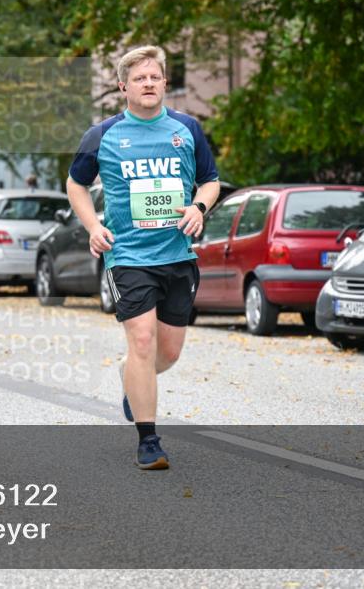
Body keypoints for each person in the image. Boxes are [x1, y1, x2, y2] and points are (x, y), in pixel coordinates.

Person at [66, 45, 220, 470]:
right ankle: (149, 441)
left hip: (177, 255)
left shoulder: (187, 128)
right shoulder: (103, 135)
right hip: (128, 256)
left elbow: (210, 181)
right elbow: (76, 184)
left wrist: (199, 207)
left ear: (165, 83)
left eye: (154, 77)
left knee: (167, 353)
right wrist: (93, 226)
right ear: (123, 87)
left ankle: (129, 377)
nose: (148, 84)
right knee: (142, 341)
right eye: (139, 78)